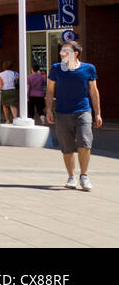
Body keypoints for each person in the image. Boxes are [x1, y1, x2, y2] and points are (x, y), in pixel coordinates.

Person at [46, 39, 102, 191]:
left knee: (84, 142)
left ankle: (84, 176)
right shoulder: (56, 68)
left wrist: (98, 114)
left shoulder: (88, 69)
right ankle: (71, 176)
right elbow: (50, 90)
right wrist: (49, 110)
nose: (61, 54)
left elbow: (93, 92)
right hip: (62, 112)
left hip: (83, 111)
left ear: (75, 54)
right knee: (67, 146)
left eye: (65, 51)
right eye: (61, 51)